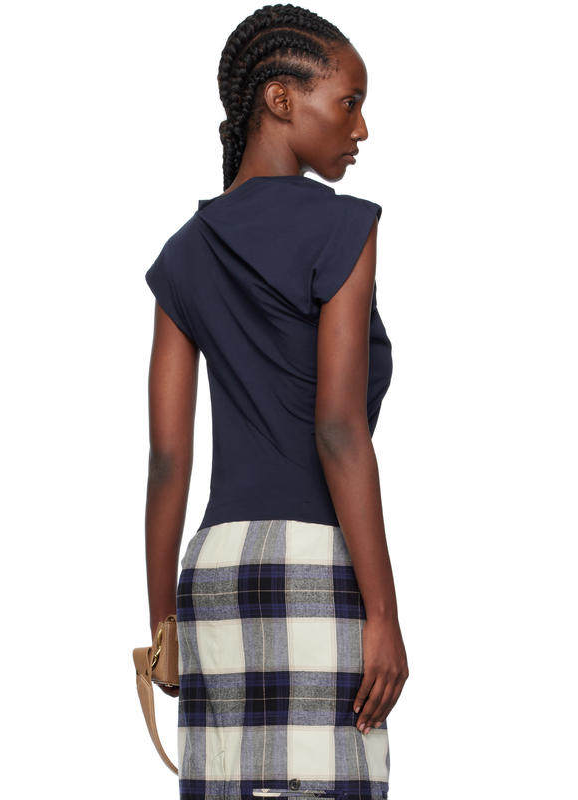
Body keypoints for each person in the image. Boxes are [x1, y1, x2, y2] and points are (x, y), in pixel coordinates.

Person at [143, 6, 409, 799]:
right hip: (315, 565)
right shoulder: (342, 228)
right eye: (349, 102)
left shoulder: (184, 254)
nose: (361, 128)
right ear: (281, 99)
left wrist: (164, 630)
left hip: (213, 574)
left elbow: (167, 460)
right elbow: (339, 429)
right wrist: (385, 616)